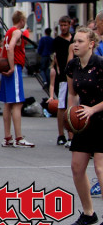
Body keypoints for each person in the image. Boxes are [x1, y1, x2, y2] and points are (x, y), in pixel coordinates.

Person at [64, 27, 103, 225]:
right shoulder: (72, 66)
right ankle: (89, 213)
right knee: (77, 167)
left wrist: (92, 110)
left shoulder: (100, 64)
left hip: (101, 117)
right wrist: (70, 117)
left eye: (80, 41)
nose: (75, 44)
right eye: (74, 41)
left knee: (100, 169)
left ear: (91, 44)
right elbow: (72, 94)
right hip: (83, 119)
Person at [0, 11, 35, 148]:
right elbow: (10, 48)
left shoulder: (8, 32)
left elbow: (3, 49)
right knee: (17, 103)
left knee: (8, 104)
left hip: (7, 66)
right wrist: (12, 67)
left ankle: (7, 137)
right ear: (22, 20)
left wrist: (4, 65)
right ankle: (19, 138)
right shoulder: (17, 32)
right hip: (14, 67)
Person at [52, 16, 74, 147]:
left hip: (75, 76)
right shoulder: (57, 41)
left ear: (70, 25)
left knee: (72, 105)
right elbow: (55, 58)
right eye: (61, 25)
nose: (63, 27)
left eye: (65, 25)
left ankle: (72, 135)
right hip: (63, 78)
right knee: (62, 106)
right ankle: (61, 135)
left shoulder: (74, 39)